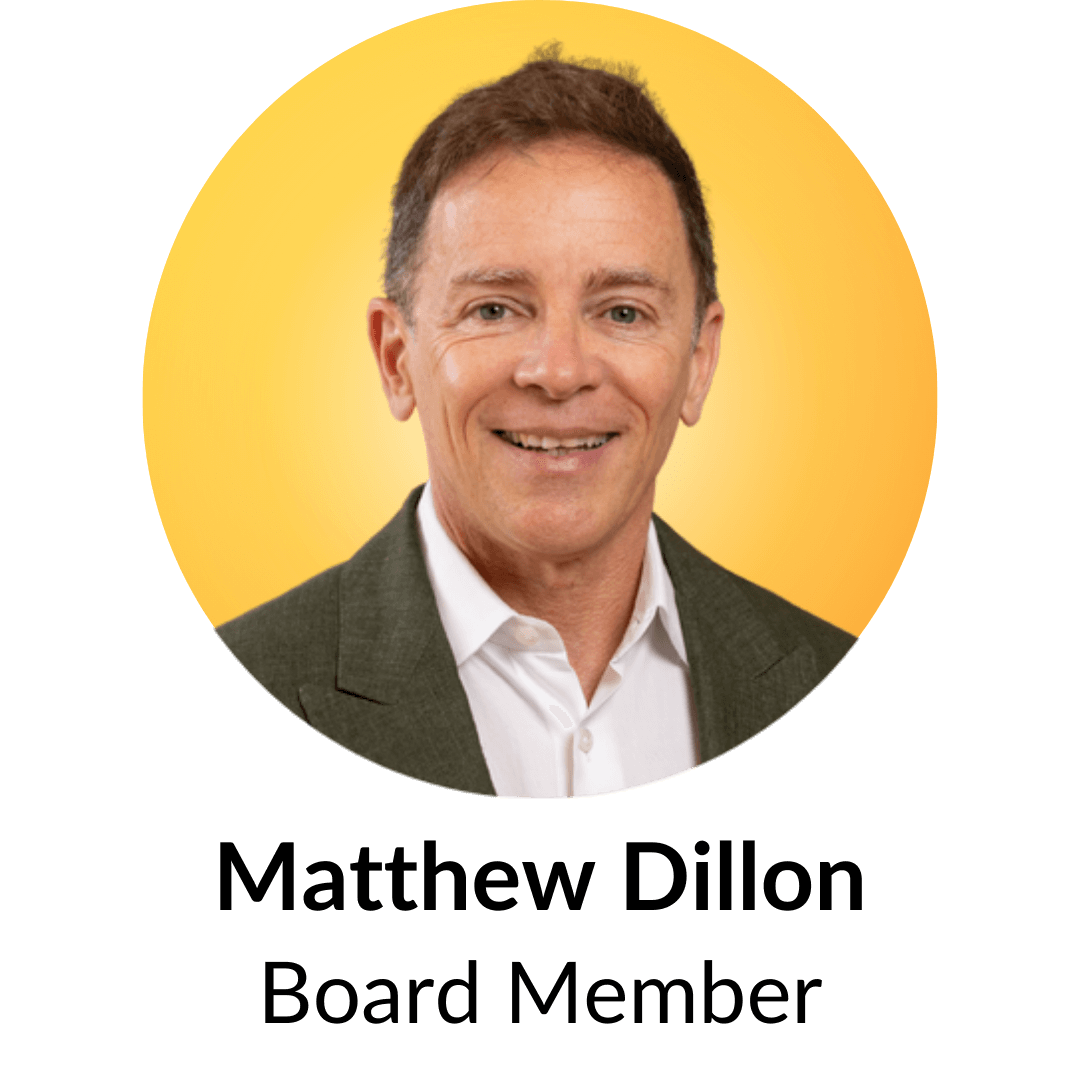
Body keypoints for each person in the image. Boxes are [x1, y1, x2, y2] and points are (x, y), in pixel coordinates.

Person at [215, 44, 857, 799]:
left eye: (623, 312)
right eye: (494, 308)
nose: (558, 371)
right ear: (396, 359)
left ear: (699, 360)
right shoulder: (259, 671)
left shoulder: (821, 669)